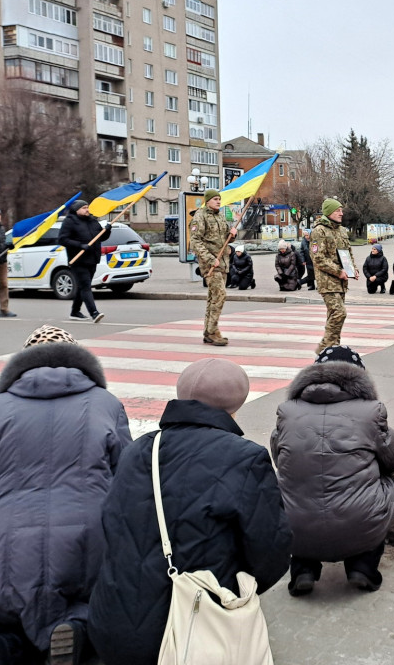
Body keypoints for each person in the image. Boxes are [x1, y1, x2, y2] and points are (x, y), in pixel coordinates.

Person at [89, 359, 293, 665]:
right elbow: (271, 551)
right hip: (190, 630)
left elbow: (110, 524)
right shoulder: (245, 458)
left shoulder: (140, 449)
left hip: (110, 620)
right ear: (238, 402)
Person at [0, 325, 131, 665]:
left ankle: (1, 646)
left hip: (0, 534)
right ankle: (74, 628)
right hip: (85, 535)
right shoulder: (105, 404)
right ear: (80, 360)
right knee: (92, 603)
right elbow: (125, 480)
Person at [272, 346, 394, 596]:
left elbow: (280, 459)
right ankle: (362, 566)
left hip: (295, 523)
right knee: (391, 485)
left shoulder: (287, 411)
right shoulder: (372, 411)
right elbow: (392, 461)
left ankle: (302, 569)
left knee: (293, 493)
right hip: (359, 520)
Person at [189, 190, 236, 345]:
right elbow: (196, 241)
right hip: (210, 265)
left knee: (213, 298)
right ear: (207, 201)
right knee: (220, 295)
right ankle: (212, 331)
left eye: (219, 199)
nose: (218, 201)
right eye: (215, 199)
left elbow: (225, 238)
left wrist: (233, 234)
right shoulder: (200, 216)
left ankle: (208, 331)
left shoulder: (220, 216)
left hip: (223, 263)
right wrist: (210, 259)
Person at [311, 198, 357, 353]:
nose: (341, 213)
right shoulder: (319, 231)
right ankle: (324, 348)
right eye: (338, 210)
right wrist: (338, 271)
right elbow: (318, 258)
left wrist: (353, 269)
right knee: (339, 313)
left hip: (341, 281)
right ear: (329, 211)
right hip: (328, 281)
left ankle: (333, 348)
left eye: (341, 210)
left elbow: (347, 252)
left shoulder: (341, 230)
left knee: (334, 316)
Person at [58, 199, 109, 325]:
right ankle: (94, 313)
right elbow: (63, 239)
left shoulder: (92, 221)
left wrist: (107, 230)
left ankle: (75, 312)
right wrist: (80, 245)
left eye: (87, 207)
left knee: (82, 287)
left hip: (93, 259)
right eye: (84, 208)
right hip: (78, 260)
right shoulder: (69, 222)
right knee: (86, 286)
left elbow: (101, 237)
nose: (87, 210)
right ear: (76, 209)